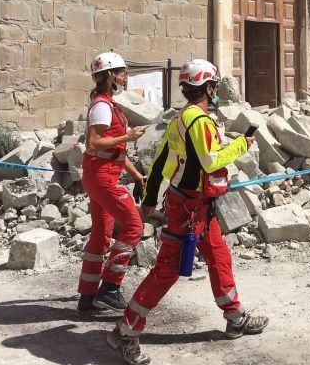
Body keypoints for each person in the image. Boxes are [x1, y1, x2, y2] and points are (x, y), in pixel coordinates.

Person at [107, 59, 269, 365]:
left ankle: (235, 318)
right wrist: (241, 146)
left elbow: (161, 162)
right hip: (190, 210)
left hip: (195, 208)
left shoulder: (181, 120)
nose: (216, 90)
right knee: (167, 270)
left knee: (219, 257)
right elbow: (210, 161)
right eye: (215, 86)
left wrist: (152, 197)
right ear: (209, 88)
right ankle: (124, 331)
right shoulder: (200, 122)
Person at [77, 52, 146, 316]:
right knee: (133, 227)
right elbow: (94, 143)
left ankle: (87, 296)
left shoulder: (107, 104)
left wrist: (136, 175)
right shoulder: (103, 106)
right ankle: (110, 289)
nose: (125, 77)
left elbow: (113, 151)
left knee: (102, 234)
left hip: (101, 175)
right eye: (121, 72)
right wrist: (127, 136)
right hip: (102, 177)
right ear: (108, 76)